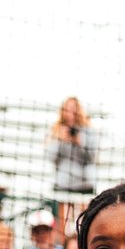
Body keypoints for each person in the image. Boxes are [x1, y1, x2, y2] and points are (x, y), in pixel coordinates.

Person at [47, 97, 97, 238]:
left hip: (83, 183)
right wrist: (59, 140)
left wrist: (79, 141)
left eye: (74, 108)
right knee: (62, 225)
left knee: (84, 222)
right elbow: (51, 158)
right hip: (63, 184)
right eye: (67, 109)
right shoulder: (56, 130)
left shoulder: (88, 131)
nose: (71, 113)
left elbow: (92, 157)